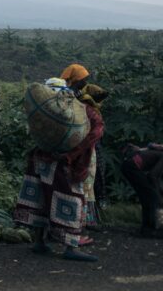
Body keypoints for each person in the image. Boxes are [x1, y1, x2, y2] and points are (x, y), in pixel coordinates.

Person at [15, 65, 105, 262]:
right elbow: (90, 138)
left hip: (42, 157)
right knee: (71, 200)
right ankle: (70, 247)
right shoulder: (86, 113)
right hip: (65, 163)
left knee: (41, 197)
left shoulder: (53, 102)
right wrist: (70, 156)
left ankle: (39, 241)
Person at [62, 64, 108, 238]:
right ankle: (81, 221)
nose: (85, 81)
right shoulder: (72, 97)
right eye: (83, 79)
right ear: (76, 79)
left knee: (89, 181)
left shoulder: (82, 95)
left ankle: (85, 219)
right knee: (83, 182)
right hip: (81, 144)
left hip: (87, 143)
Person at [121, 143, 163, 238]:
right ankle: (149, 230)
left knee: (146, 197)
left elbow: (155, 177)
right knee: (152, 197)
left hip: (128, 166)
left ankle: (146, 229)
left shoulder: (158, 151)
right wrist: (159, 195)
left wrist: (159, 191)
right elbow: (152, 176)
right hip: (131, 167)